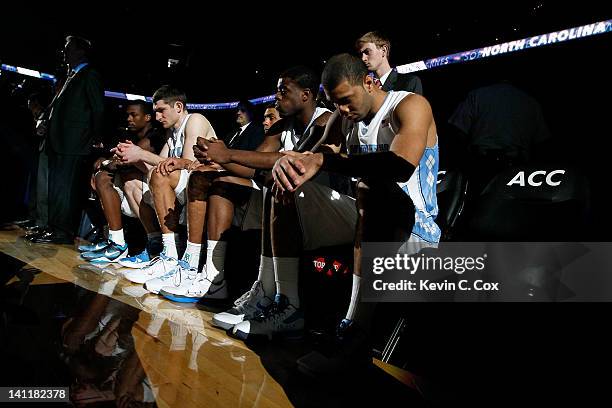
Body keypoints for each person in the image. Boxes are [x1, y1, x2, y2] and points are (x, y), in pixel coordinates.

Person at [270, 53, 440, 372]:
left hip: (416, 232)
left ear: (369, 81)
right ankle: (285, 303)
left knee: (371, 188)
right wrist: (295, 162)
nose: (344, 110)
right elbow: (323, 150)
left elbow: (400, 166)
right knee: (287, 187)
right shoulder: (344, 115)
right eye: (337, 103)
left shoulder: (410, 105)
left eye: (348, 101)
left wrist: (328, 161)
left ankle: (354, 333)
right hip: (368, 221)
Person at [194, 66, 357, 337]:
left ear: (306, 95)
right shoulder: (282, 125)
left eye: (284, 91)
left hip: (324, 206)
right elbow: (252, 168)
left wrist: (229, 153)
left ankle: (284, 302)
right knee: (240, 184)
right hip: (292, 206)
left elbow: (294, 162)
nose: (276, 96)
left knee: (283, 181)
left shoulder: (324, 120)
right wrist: (217, 157)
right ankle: (263, 293)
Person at [115, 86, 218, 287]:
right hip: (185, 186)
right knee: (136, 183)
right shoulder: (173, 133)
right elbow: (157, 167)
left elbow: (188, 164)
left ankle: (170, 257)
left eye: (161, 110)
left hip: (204, 187)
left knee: (160, 175)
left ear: (178, 106)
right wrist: (130, 156)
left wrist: (141, 153)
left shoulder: (194, 120)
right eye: (155, 111)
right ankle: (159, 249)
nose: (157, 116)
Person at [30, 35, 105, 244]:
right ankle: (52, 228)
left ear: (81, 51)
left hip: (74, 144)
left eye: (68, 48)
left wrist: (96, 137)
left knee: (65, 191)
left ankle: (62, 232)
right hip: (58, 142)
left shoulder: (90, 75)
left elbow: (98, 109)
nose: (64, 52)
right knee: (56, 189)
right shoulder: (70, 76)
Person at [78, 100, 166, 263]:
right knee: (102, 178)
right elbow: (115, 159)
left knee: (107, 176)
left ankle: (129, 243)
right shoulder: (130, 135)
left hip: (152, 189)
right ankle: (114, 241)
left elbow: (121, 160)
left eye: (134, 115)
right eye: (127, 115)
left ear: (147, 117)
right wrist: (104, 162)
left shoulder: (154, 136)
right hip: (135, 187)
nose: (129, 119)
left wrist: (105, 163)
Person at [448, 81, 551, 196]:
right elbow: (541, 143)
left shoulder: (477, 95)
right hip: (517, 170)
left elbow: (458, 131)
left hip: (483, 165)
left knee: (480, 206)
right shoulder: (529, 101)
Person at [356, 31, 423, 94]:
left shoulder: (409, 82)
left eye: (367, 52)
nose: (363, 58)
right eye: (361, 54)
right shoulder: (364, 87)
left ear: (383, 50)